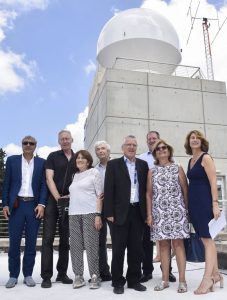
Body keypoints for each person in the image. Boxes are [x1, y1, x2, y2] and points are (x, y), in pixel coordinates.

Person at [104, 135, 148, 294]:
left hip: (138, 212)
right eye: (128, 145)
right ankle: (117, 281)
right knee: (118, 249)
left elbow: (146, 191)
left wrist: (148, 213)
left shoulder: (143, 165)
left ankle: (134, 280)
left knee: (136, 249)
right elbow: (108, 189)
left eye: (134, 145)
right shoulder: (113, 164)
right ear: (122, 148)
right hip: (119, 213)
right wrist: (108, 212)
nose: (131, 147)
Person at [2, 135, 48, 288]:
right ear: (21, 145)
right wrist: (5, 205)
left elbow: (43, 185)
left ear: (35, 146)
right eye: (25, 143)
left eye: (31, 143)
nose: (28, 145)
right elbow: (6, 184)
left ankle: (28, 274)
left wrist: (41, 204)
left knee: (31, 243)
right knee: (14, 243)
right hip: (16, 206)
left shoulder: (42, 163)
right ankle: (13, 275)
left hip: (34, 206)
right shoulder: (12, 161)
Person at [146, 139, 189, 293]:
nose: (162, 150)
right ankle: (164, 280)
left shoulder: (178, 168)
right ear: (155, 153)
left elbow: (185, 190)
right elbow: (149, 194)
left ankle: (182, 281)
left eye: (164, 147)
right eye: (158, 149)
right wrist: (149, 214)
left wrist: (187, 212)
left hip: (177, 212)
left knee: (178, 245)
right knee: (163, 246)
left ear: (169, 150)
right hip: (159, 213)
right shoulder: (152, 170)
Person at [185, 130, 223, 294]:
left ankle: (208, 279)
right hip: (194, 204)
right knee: (205, 239)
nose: (194, 140)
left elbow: (213, 181)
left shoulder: (205, 158)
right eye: (192, 138)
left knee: (207, 240)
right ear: (188, 142)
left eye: (197, 138)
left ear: (202, 141)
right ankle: (216, 274)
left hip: (205, 203)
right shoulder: (191, 160)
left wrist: (215, 204)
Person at [139, 131, 176, 283]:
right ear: (146, 141)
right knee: (146, 240)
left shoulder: (167, 157)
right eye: (149, 139)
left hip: (165, 204)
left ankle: (168, 272)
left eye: (154, 138)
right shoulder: (141, 158)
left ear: (159, 140)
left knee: (166, 240)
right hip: (148, 203)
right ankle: (147, 271)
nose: (152, 140)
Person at [41, 130, 74, 288]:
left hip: (71, 202)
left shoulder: (78, 157)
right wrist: (58, 199)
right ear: (59, 141)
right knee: (47, 239)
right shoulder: (53, 156)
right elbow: (49, 178)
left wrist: (70, 197)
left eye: (67, 138)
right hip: (53, 202)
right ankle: (46, 276)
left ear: (72, 140)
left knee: (65, 240)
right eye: (62, 139)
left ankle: (62, 273)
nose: (65, 141)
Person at [69, 150, 103, 289]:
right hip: (73, 213)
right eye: (78, 158)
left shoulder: (94, 173)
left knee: (91, 245)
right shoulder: (74, 175)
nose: (79, 160)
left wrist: (98, 215)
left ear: (88, 161)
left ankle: (95, 275)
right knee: (75, 246)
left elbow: (100, 195)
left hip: (90, 213)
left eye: (83, 158)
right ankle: (78, 276)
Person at [94, 141, 112, 281]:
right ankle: (104, 272)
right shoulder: (94, 170)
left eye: (103, 148)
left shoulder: (118, 165)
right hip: (99, 207)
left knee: (119, 241)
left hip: (115, 207)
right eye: (98, 149)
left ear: (108, 151)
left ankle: (118, 271)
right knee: (100, 241)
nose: (101, 151)